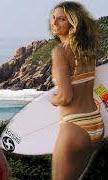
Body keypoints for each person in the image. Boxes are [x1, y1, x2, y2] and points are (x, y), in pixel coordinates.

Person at [50, 1, 104, 179]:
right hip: (96, 125)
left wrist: (52, 99)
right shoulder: (88, 51)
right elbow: (95, 86)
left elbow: (66, 97)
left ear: (73, 23)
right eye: (53, 18)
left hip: (75, 127)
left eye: (61, 19)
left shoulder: (60, 52)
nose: (54, 23)